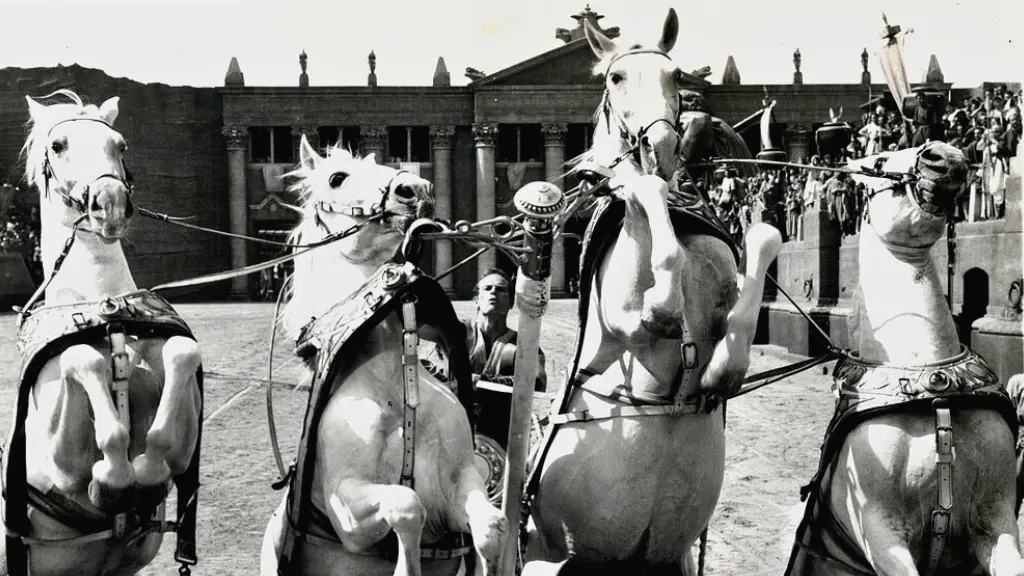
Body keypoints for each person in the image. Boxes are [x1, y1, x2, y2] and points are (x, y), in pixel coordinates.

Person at [419, 268, 548, 448]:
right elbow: (416, 325)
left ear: (511, 302)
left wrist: (484, 380)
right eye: (487, 288)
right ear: (476, 300)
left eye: (501, 289)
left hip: (501, 441)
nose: (493, 292)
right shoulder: (454, 331)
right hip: (451, 435)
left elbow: (537, 382)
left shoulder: (524, 346)